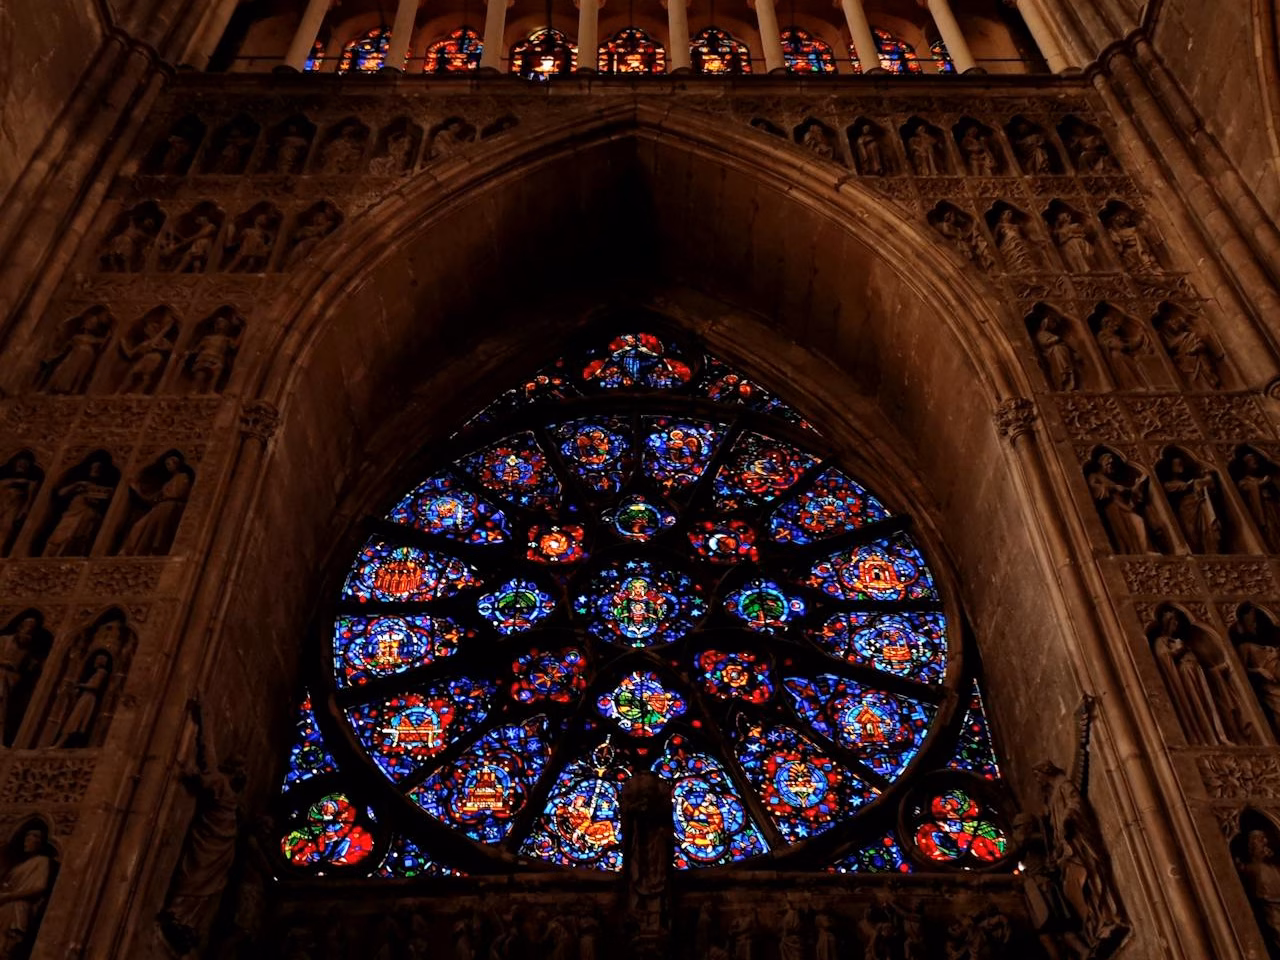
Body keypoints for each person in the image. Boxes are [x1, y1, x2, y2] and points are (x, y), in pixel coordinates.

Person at [159, 700, 246, 954]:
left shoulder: (222, 787)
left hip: (217, 843)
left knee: (200, 881)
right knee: (200, 880)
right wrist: (205, 718)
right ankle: (182, 918)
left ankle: (183, 919)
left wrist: (205, 718)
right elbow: (208, 754)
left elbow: (207, 758)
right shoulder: (224, 788)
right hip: (216, 841)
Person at [1152, 609, 1230, 744]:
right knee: (1197, 705)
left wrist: (1218, 669)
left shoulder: (1179, 640)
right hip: (1186, 675)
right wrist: (1179, 649)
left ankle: (1217, 737)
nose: (1176, 623)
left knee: (1208, 705)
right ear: (1167, 623)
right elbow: (1165, 657)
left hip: (1197, 673)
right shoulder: (1161, 641)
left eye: (1177, 620)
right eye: (1173, 620)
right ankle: (1203, 738)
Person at [119, 452, 193, 556]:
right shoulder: (168, 482)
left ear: (177, 464)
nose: (168, 467)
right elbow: (153, 498)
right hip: (161, 507)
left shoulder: (183, 477)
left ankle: (154, 551)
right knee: (138, 527)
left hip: (170, 507)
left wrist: (165, 497)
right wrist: (137, 489)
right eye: (167, 464)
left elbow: (179, 493)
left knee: (158, 533)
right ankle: (133, 551)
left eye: (169, 464)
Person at [43, 456, 115, 557]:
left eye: (99, 468)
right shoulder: (79, 485)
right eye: (94, 467)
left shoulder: (103, 487)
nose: (96, 470)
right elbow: (61, 494)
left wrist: (94, 501)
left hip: (89, 516)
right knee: (60, 538)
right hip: (72, 515)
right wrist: (77, 485)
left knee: (80, 540)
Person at [0, 826, 54, 960]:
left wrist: (10, 896)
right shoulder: (18, 866)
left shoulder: (42, 861)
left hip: (19, 906)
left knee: (7, 945)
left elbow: (40, 887)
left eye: (30, 840)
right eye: (25, 840)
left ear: (39, 843)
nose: (26, 843)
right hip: (5, 906)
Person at [1088, 452, 1156, 554]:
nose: (1111, 467)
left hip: (1123, 504)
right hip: (1112, 506)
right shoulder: (1094, 475)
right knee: (1123, 532)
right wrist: (1113, 487)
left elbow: (1127, 492)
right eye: (1108, 464)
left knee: (1138, 521)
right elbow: (1095, 489)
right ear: (1102, 464)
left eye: (1112, 464)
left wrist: (1137, 485)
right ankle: (1130, 552)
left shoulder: (1110, 479)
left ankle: (1144, 550)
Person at [43, 310, 111, 394]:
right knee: (62, 372)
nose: (88, 323)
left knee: (78, 376)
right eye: (87, 321)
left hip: (84, 359)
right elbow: (63, 350)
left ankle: (71, 390)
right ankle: (55, 389)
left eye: (91, 322)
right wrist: (51, 357)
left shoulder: (93, 339)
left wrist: (108, 336)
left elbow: (102, 341)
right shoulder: (77, 337)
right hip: (72, 359)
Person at [117, 312, 176, 393]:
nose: (152, 328)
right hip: (143, 364)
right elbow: (130, 354)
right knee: (131, 378)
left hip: (154, 366)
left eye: (155, 327)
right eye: (150, 327)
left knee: (145, 380)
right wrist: (123, 343)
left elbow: (158, 344)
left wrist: (167, 327)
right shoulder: (144, 344)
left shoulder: (163, 342)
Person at [0, 452, 41, 555]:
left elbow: (30, 498)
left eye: (25, 464)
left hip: (13, 508)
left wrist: (24, 511)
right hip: (3, 505)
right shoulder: (6, 481)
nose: (22, 466)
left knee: (6, 530)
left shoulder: (30, 484)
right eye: (20, 463)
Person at [1035, 313, 1080, 390]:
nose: (1053, 325)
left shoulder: (1050, 334)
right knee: (1058, 355)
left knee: (1067, 366)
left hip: (1063, 355)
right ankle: (1063, 379)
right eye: (1051, 323)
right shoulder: (1041, 334)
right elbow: (1044, 343)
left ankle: (1069, 378)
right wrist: (1055, 339)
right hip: (1054, 355)